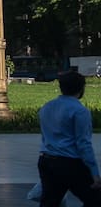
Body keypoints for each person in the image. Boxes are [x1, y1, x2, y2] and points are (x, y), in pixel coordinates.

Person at [36, 70, 101, 207]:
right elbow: (83, 144)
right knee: (94, 198)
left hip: (46, 160)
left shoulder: (46, 107)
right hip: (69, 162)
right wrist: (94, 172)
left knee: (50, 201)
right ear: (81, 88)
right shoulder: (79, 111)